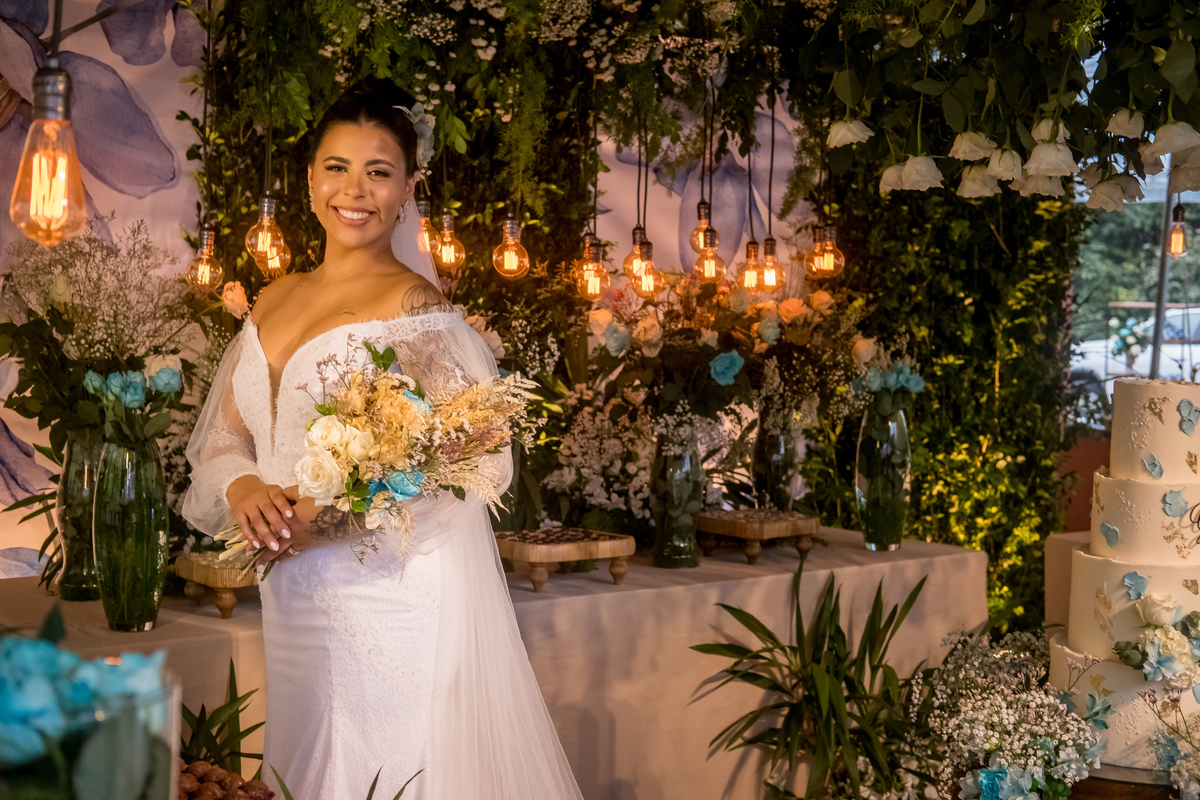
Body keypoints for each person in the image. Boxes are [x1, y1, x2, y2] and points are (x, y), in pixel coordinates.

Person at [182, 79, 584, 800]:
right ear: (309, 179)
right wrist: (243, 485)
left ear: (407, 189)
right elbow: (225, 442)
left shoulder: (412, 305)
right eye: (336, 167)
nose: (354, 189)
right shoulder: (274, 298)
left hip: (384, 595)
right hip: (294, 597)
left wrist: (326, 517)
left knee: (382, 768)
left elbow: (475, 451)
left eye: (379, 170)